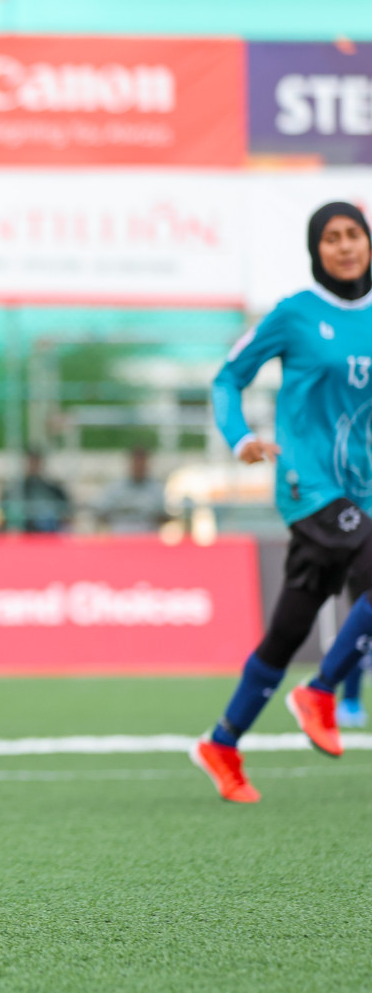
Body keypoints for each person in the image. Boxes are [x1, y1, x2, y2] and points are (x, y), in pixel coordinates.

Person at [192, 201, 372, 803]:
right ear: (315, 250)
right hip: (309, 484)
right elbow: (227, 377)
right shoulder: (295, 314)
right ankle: (321, 691)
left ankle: (222, 742)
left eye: (354, 235)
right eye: (332, 238)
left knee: (289, 629)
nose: (345, 246)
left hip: (360, 488)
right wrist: (240, 437)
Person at [95, 448, 168, 533]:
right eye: (136, 463)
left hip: (148, 536)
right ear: (130, 464)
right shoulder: (115, 488)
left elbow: (164, 516)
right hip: (120, 536)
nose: (139, 467)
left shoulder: (156, 489)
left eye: (142, 463)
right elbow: (101, 514)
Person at [4, 450, 71, 534]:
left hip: (50, 534)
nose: (33, 466)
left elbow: (66, 512)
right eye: (31, 462)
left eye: (36, 463)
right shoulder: (15, 490)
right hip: (25, 534)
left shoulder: (53, 488)